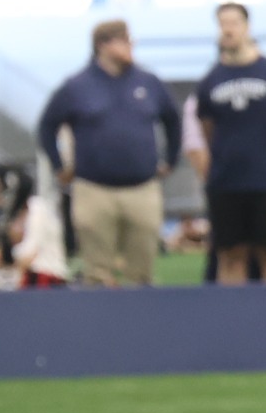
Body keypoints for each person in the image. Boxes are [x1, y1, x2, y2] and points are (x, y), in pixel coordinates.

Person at [37, 21, 180, 287]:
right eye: (125, 40)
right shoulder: (77, 86)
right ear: (104, 45)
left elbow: (173, 119)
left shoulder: (148, 82)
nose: (131, 46)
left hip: (142, 188)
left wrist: (170, 159)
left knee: (141, 271)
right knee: (97, 273)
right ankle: (100, 324)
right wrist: (59, 166)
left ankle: (141, 321)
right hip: (93, 189)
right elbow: (47, 125)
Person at [196, 4, 266, 286]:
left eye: (233, 22)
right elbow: (208, 131)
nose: (228, 29)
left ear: (247, 27)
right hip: (226, 183)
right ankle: (233, 325)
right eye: (222, 24)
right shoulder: (210, 81)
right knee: (230, 256)